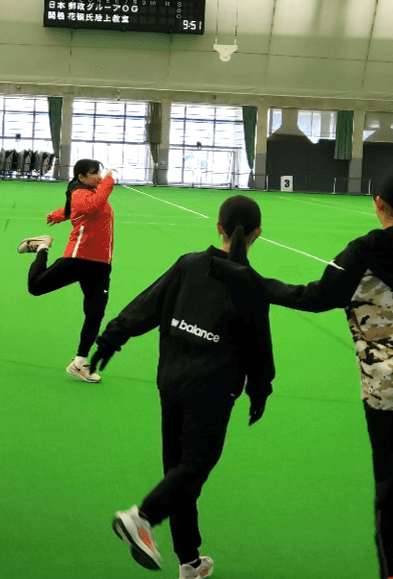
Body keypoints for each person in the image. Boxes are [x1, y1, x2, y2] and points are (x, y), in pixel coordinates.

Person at [218, 171, 393, 579]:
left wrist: (251, 281)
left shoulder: (362, 252)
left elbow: (315, 297)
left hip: (382, 386)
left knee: (390, 482)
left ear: (378, 204)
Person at [91, 195, 274, 578]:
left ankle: (189, 561)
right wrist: (260, 389)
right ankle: (141, 517)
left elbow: (147, 304)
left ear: (218, 227)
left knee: (179, 472)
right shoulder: (250, 284)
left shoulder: (188, 264)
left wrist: (112, 337)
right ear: (258, 232)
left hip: (171, 380)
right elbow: (259, 345)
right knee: (194, 466)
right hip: (213, 390)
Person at [17, 158, 116, 383]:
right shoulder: (80, 192)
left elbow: (76, 210)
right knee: (36, 287)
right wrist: (109, 180)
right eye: (94, 173)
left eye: (100, 172)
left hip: (101, 264)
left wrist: (58, 215)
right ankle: (42, 247)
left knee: (95, 314)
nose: (99, 177)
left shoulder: (91, 193)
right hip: (79, 257)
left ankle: (79, 362)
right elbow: (91, 206)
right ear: (81, 177)